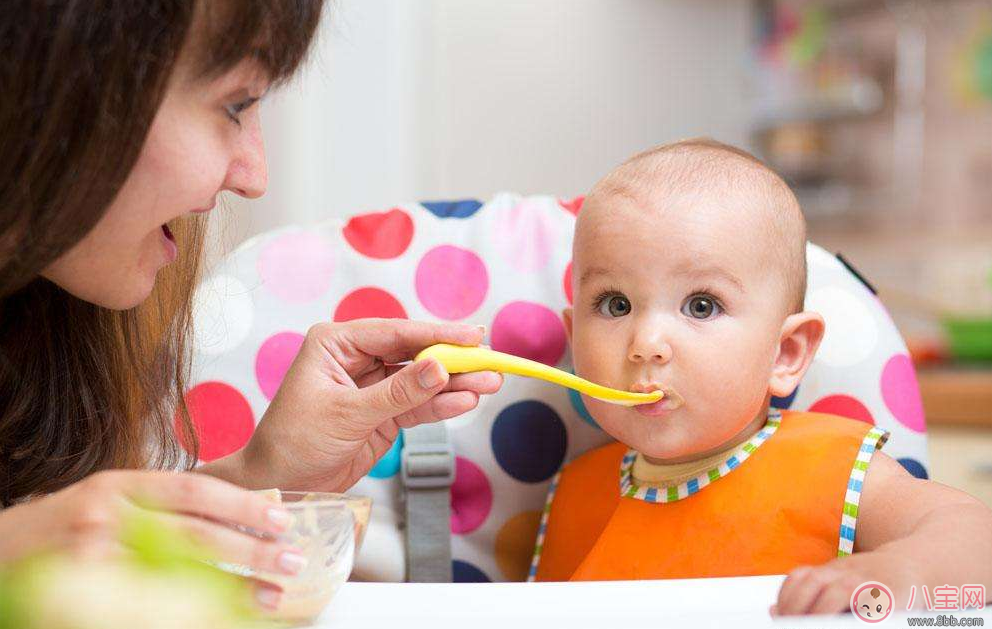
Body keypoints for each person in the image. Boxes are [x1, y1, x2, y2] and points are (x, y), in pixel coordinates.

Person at [0, 1, 501, 610]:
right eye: (234, 105)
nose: (254, 175)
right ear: (50, 79)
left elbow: (78, 548)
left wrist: (259, 477)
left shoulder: (53, 323)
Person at [530, 139, 992, 614]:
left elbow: (977, 538)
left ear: (785, 353)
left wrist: (900, 574)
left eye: (701, 306)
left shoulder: (831, 472)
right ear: (574, 338)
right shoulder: (574, 495)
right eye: (616, 305)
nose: (646, 342)